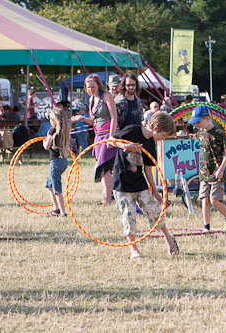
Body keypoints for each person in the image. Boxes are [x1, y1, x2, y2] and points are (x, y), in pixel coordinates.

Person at [109, 111, 179, 259]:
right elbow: (110, 141)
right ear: (156, 128)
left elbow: (148, 167)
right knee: (128, 216)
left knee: (154, 210)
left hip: (139, 183)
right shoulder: (132, 130)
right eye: (164, 135)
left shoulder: (151, 144)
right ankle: (134, 250)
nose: (163, 139)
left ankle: (169, 240)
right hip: (122, 182)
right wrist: (125, 146)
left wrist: (154, 190)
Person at [188, 105, 226, 233]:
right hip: (204, 172)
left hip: (217, 172)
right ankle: (206, 227)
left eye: (198, 121)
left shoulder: (219, 133)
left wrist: (221, 169)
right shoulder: (200, 134)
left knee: (214, 200)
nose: (197, 125)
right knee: (204, 199)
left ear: (207, 118)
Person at [76, 73, 117, 205]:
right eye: (88, 88)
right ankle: (106, 198)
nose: (90, 90)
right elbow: (94, 121)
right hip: (98, 136)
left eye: (93, 87)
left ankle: (108, 199)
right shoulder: (92, 100)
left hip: (108, 134)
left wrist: (111, 137)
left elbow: (114, 118)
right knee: (103, 168)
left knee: (105, 166)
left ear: (98, 85)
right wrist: (81, 118)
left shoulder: (107, 96)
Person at [43, 108, 70, 217]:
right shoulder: (64, 130)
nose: (49, 120)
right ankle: (56, 209)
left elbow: (46, 146)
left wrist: (44, 141)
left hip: (55, 162)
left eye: (50, 118)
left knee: (56, 189)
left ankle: (63, 213)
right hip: (63, 161)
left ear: (54, 120)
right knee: (49, 185)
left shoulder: (52, 130)